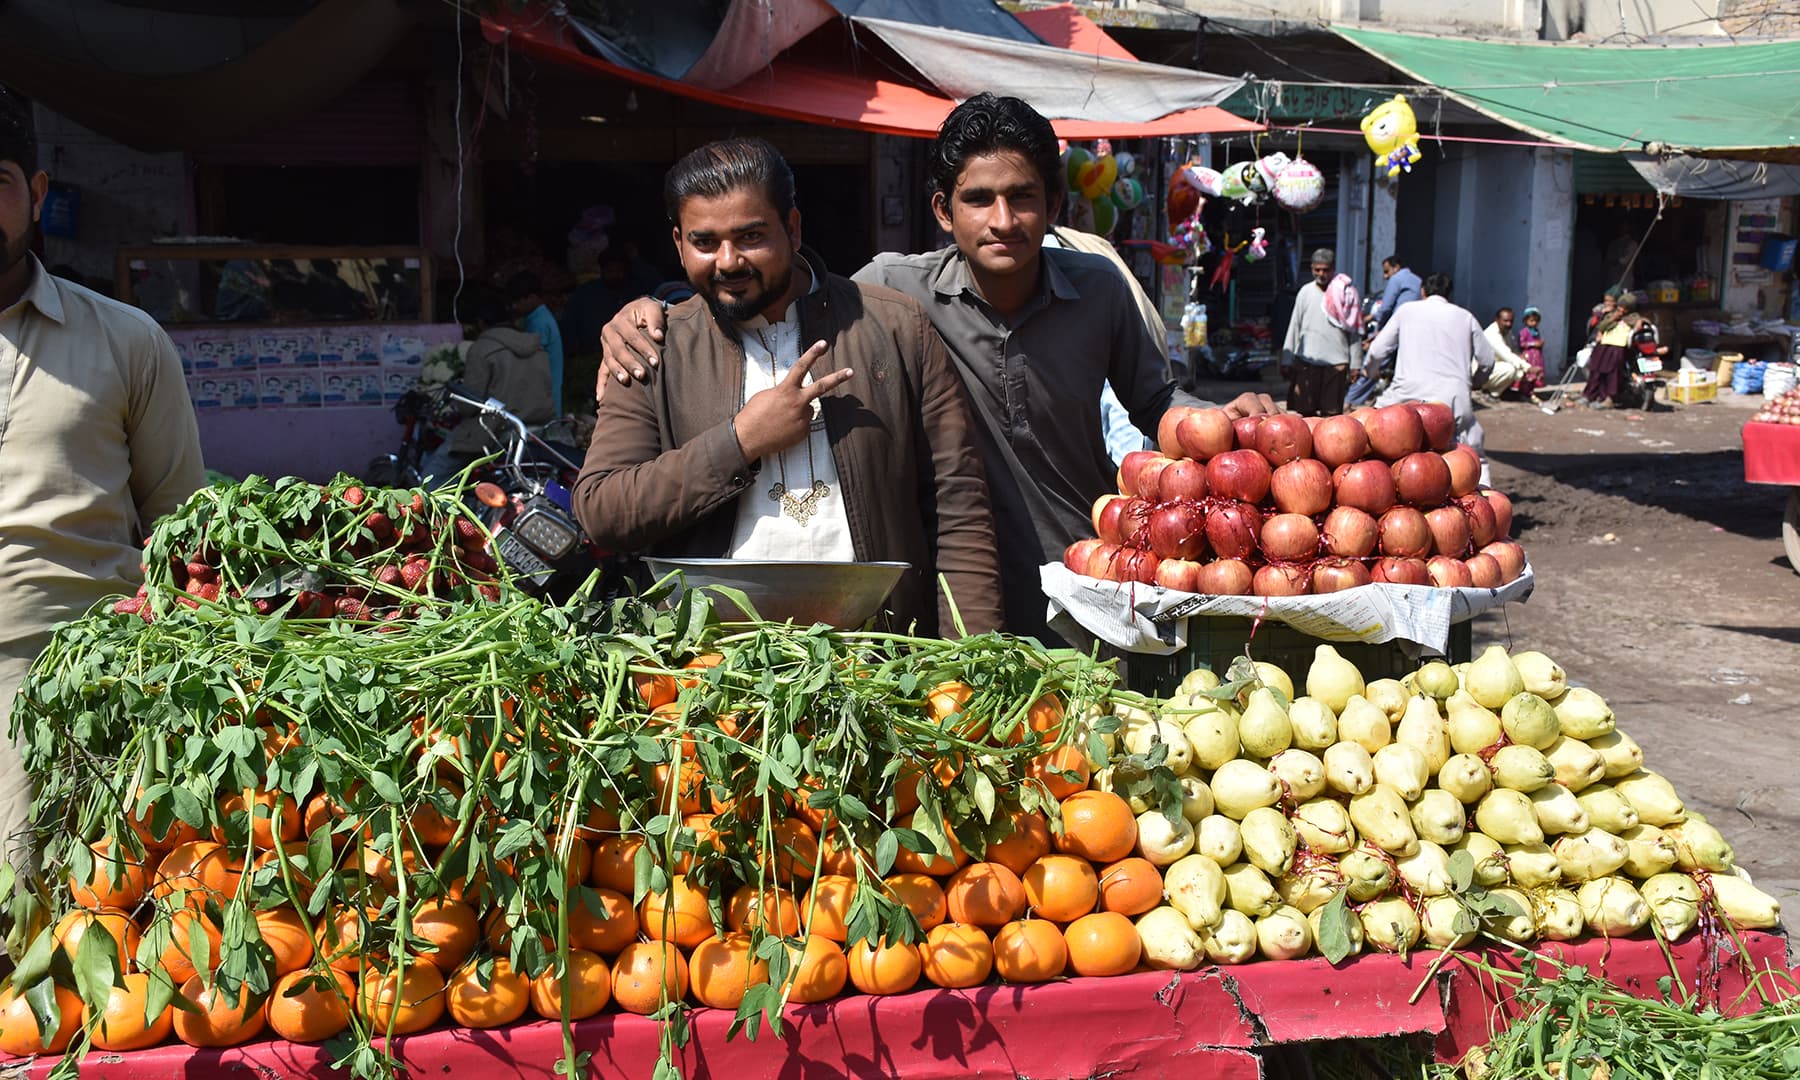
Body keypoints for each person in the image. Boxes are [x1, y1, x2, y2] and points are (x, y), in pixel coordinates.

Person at [593, 95, 1274, 640]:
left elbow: (1152, 401)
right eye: (979, 199)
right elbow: (778, 288)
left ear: (1055, 204)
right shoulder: (892, 296)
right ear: (944, 212)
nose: (1003, 219)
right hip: (904, 602)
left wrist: (1216, 422)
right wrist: (651, 314)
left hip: (1080, 572)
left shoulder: (1080, 290)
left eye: (1023, 196)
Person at [572, 137, 1003, 638]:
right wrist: (740, 442)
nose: (728, 261)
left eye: (751, 236)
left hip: (878, 659)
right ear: (678, 243)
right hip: (711, 673)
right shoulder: (655, 348)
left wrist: (971, 663)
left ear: (793, 229)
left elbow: (958, 507)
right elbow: (602, 510)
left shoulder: (894, 328)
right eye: (705, 242)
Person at [0, 89, 207, 855]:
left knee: (51, 911)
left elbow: (184, 529)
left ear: (37, 194)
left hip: (76, 682)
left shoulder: (128, 341)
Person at [428, 284, 554, 479]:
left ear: (481, 323)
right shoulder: (536, 347)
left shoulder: (483, 348)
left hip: (497, 431)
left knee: (435, 474)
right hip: (539, 430)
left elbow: (469, 406)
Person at [1368, 273, 1494, 458]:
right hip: (1453, 402)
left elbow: (1377, 350)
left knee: (1380, 446)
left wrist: (1371, 372)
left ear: (1422, 291)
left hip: (1406, 398)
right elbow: (1487, 361)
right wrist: (1474, 382)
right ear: (1449, 295)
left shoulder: (1407, 311)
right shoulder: (1465, 317)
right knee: (1466, 460)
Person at [1280, 248, 1362, 417]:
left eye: (1326, 270)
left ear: (1333, 268)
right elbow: (1295, 325)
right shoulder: (1305, 292)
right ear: (1311, 268)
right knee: (1305, 414)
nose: (1321, 274)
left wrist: (1356, 364)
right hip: (1307, 362)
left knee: (1331, 415)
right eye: (1317, 270)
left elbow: (1353, 331)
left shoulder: (1346, 293)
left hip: (1336, 364)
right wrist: (1287, 360)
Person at [507, 271, 565, 417]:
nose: (515, 306)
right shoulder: (538, 318)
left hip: (544, 396)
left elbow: (531, 359)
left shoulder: (539, 322)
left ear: (532, 298)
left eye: (518, 301)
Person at [1583, 291, 1636, 409]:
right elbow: (1602, 326)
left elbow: (1640, 322)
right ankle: (1590, 396)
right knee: (1596, 369)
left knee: (1612, 373)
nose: (1622, 310)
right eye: (1620, 306)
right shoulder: (1610, 314)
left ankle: (1609, 399)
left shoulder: (1633, 317)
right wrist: (1612, 318)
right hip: (1604, 344)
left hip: (1618, 347)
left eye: (1625, 308)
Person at [1480, 307, 1530, 397]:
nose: (1508, 324)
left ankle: (1502, 390)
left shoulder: (1507, 332)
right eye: (1505, 321)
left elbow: (1514, 350)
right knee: (1511, 368)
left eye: (1511, 321)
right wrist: (1528, 367)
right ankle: (1493, 394)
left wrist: (1522, 357)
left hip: (1496, 367)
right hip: (1482, 372)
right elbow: (1507, 355)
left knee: (1519, 366)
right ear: (1497, 320)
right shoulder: (1491, 334)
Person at [1373, 254, 1421, 332]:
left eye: (1387, 271)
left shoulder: (1396, 279)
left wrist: (1377, 323)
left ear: (1396, 267)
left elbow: (1385, 308)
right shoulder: (1418, 280)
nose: (1385, 276)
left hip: (1398, 324)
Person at [1514, 306, 1546, 395]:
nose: (1534, 323)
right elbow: (1521, 344)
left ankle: (1531, 391)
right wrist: (1533, 344)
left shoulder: (1536, 331)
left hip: (1536, 356)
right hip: (1529, 356)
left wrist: (1540, 344)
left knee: (1536, 373)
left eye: (1536, 321)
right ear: (1526, 321)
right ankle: (1524, 391)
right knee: (1528, 373)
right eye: (1531, 321)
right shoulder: (1524, 331)